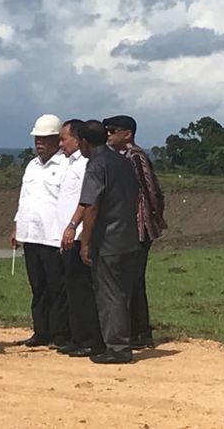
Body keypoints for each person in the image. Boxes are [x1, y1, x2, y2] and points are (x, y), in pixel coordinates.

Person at [76, 120, 142, 364]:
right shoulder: (123, 160)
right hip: (128, 235)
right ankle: (123, 339)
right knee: (122, 293)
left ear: (84, 142)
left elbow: (91, 205)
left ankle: (117, 348)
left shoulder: (96, 164)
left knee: (109, 294)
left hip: (107, 239)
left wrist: (85, 241)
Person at [103, 115, 167, 349]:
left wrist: (154, 217)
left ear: (127, 134)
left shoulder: (134, 156)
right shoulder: (116, 157)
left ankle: (141, 331)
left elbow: (150, 188)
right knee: (124, 280)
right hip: (123, 227)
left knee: (133, 280)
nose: (108, 135)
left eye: (112, 131)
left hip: (138, 226)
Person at [10, 114, 70, 348]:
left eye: (44, 139)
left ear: (57, 140)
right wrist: (17, 227)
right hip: (30, 235)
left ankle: (61, 333)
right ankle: (41, 331)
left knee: (57, 287)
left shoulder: (65, 165)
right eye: (37, 139)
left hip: (53, 236)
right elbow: (24, 199)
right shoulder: (32, 166)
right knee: (38, 287)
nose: (39, 143)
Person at [56, 119, 104, 357]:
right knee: (72, 289)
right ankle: (77, 336)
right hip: (66, 236)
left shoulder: (85, 164)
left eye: (64, 139)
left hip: (78, 234)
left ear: (77, 139)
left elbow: (87, 201)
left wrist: (75, 227)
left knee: (83, 289)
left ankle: (90, 339)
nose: (60, 143)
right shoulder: (67, 164)